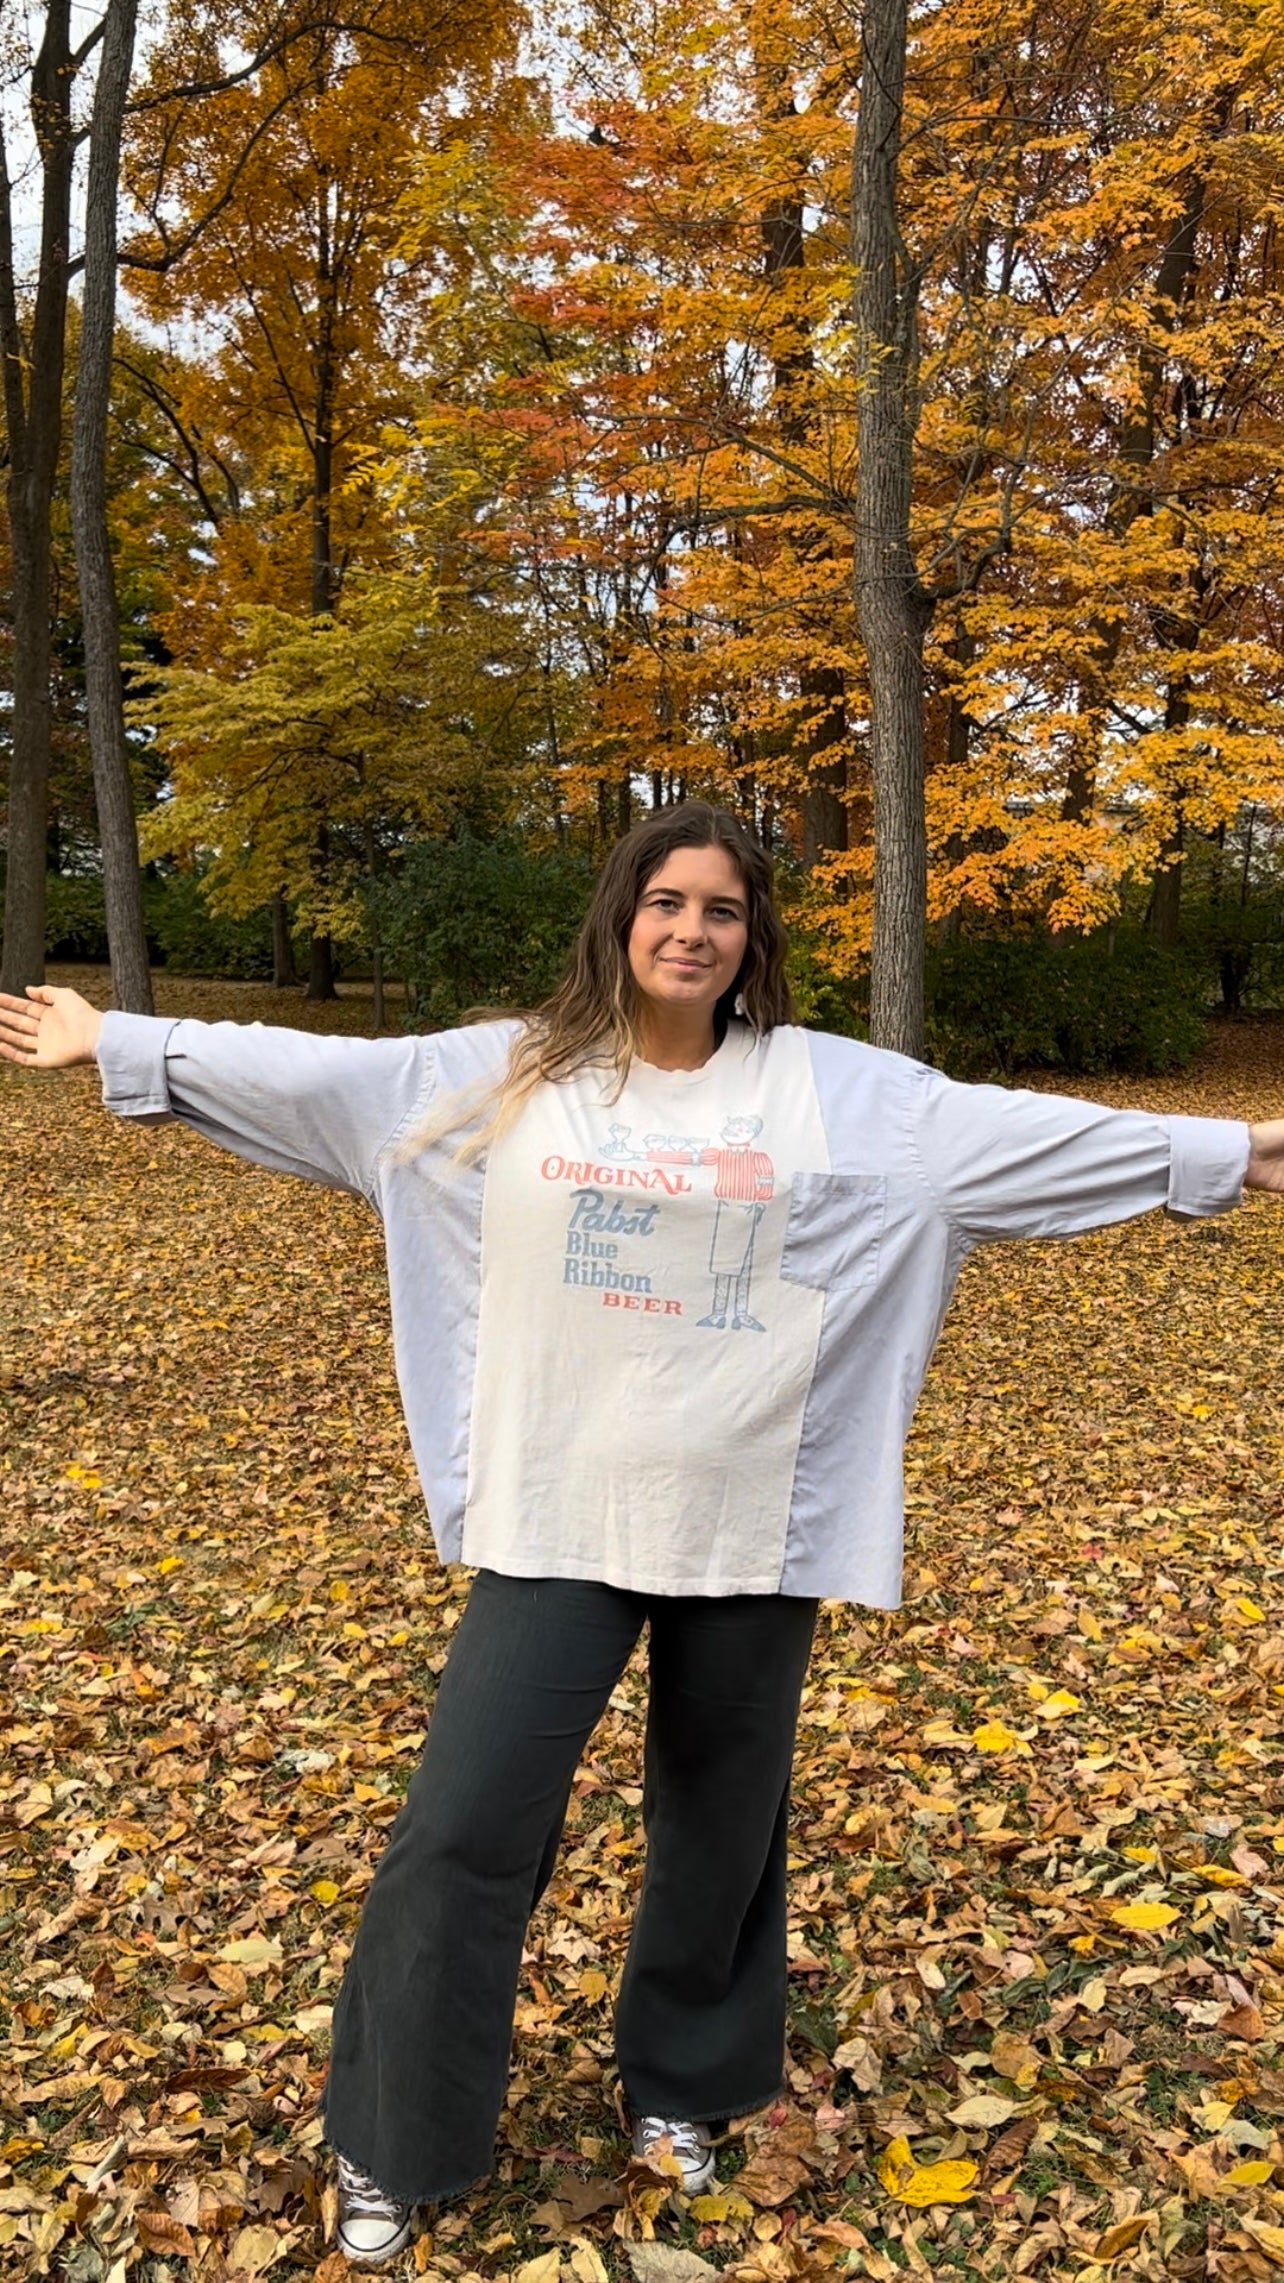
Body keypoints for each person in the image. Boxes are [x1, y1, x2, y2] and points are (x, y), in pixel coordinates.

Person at [3, 801, 1282, 2270]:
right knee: (464, 1831)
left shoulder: (847, 1096)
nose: (690, 929)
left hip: (754, 1517)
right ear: (621, 918)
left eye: (721, 910)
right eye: (665, 901)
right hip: (560, 1516)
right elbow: (314, 1077)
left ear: (753, 944)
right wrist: (123, 1043)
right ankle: (395, 2134)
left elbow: (1032, 1136)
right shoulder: (502, 1077)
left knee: (722, 1828)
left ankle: (683, 2083)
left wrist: (1238, 1152)